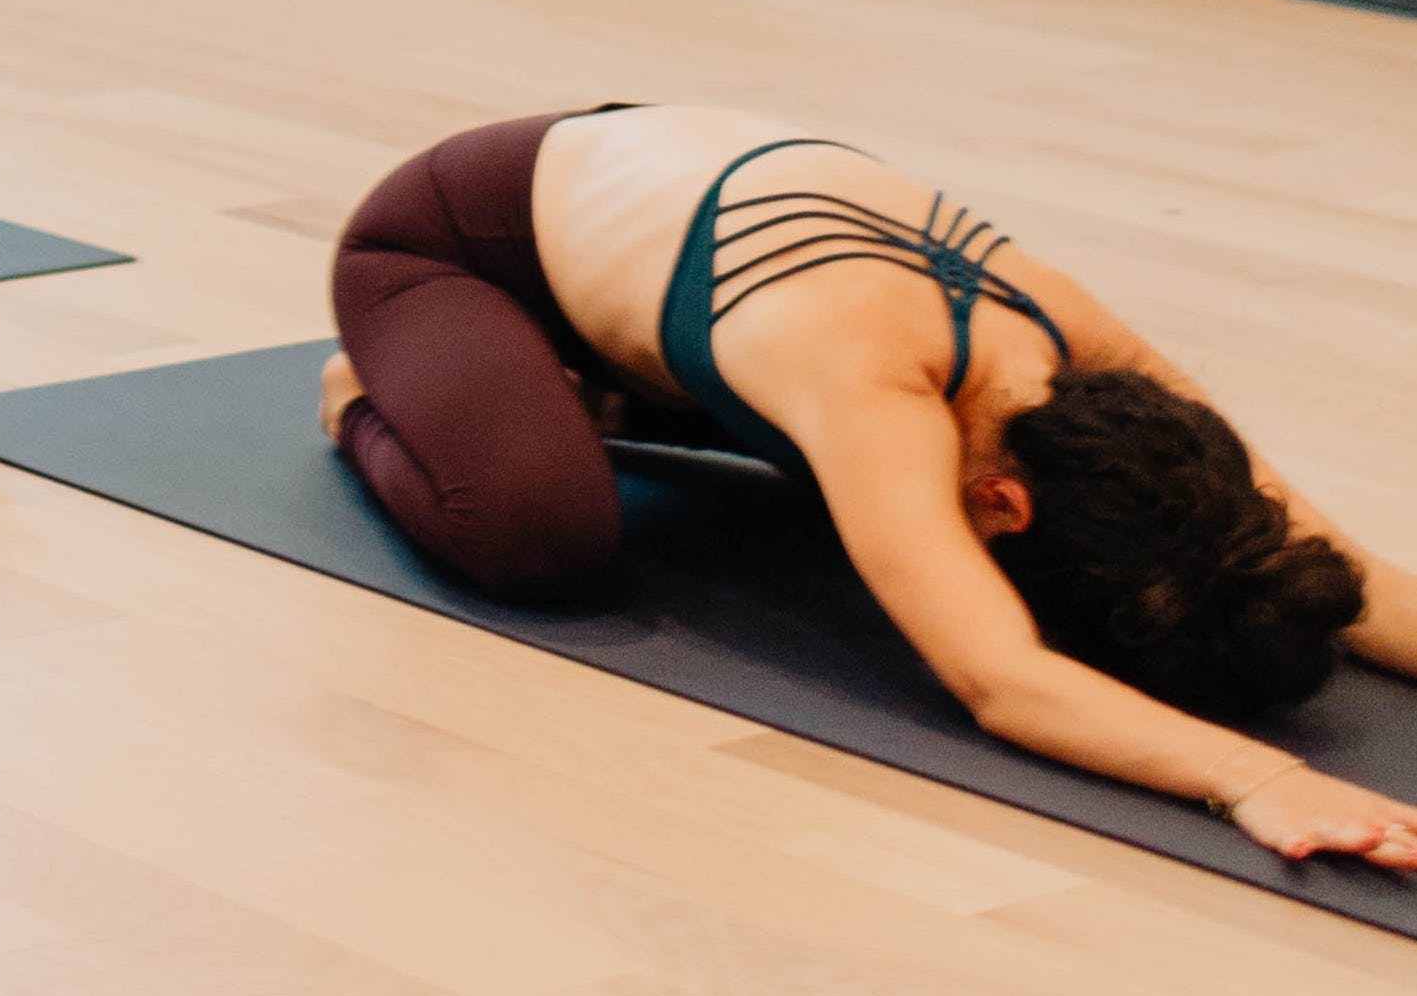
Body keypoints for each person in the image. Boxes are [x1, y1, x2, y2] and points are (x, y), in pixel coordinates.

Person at [318, 104, 1417, 870]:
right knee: (539, 535)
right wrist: (1253, 776)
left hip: (673, 251)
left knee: (860, 498)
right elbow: (1002, 678)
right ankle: (370, 393)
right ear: (1007, 506)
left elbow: (1328, 557)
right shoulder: (867, 378)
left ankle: (578, 396)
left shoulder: (1097, 360)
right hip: (453, 245)